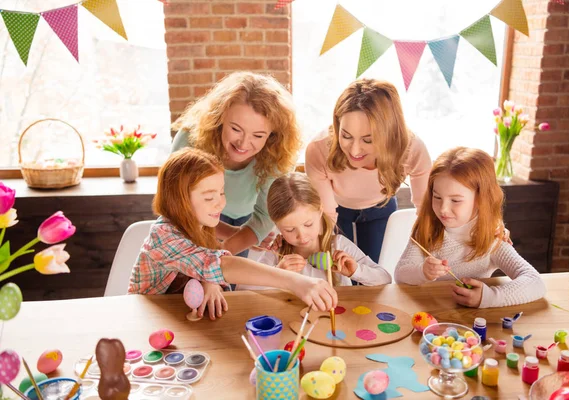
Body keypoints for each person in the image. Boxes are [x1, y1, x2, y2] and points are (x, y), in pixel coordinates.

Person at [128, 149, 337, 318]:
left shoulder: (199, 222)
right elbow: (219, 263)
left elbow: (206, 254)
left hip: (178, 316)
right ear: (179, 201)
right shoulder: (164, 237)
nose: (221, 203)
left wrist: (208, 280)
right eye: (210, 198)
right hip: (146, 318)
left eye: (221, 192)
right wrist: (295, 281)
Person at [171, 71, 302, 258]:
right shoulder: (189, 140)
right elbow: (176, 203)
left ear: (273, 134)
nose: (243, 144)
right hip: (193, 216)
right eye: (236, 129)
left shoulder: (278, 154)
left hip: (248, 217)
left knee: (229, 281)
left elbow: (264, 217)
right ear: (220, 116)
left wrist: (234, 242)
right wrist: (229, 234)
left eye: (258, 136)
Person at [394, 147, 545, 308]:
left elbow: (535, 282)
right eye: (437, 197)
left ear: (481, 199)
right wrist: (422, 272)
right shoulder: (427, 228)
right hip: (428, 315)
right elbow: (400, 274)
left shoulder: (492, 237)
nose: (443, 209)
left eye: (456, 200)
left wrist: (490, 297)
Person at [305, 78, 432, 263]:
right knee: (341, 272)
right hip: (336, 210)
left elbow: (425, 209)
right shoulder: (318, 148)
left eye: (368, 140)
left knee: (376, 268)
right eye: (346, 136)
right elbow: (327, 213)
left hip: (381, 208)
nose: (355, 151)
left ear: (388, 134)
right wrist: (318, 246)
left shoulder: (412, 148)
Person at [238, 173, 391, 290]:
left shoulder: (337, 245)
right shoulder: (277, 253)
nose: (301, 235)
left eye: (308, 224)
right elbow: (244, 289)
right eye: (290, 229)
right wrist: (277, 274)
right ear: (277, 226)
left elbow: (385, 278)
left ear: (319, 212)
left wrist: (355, 271)